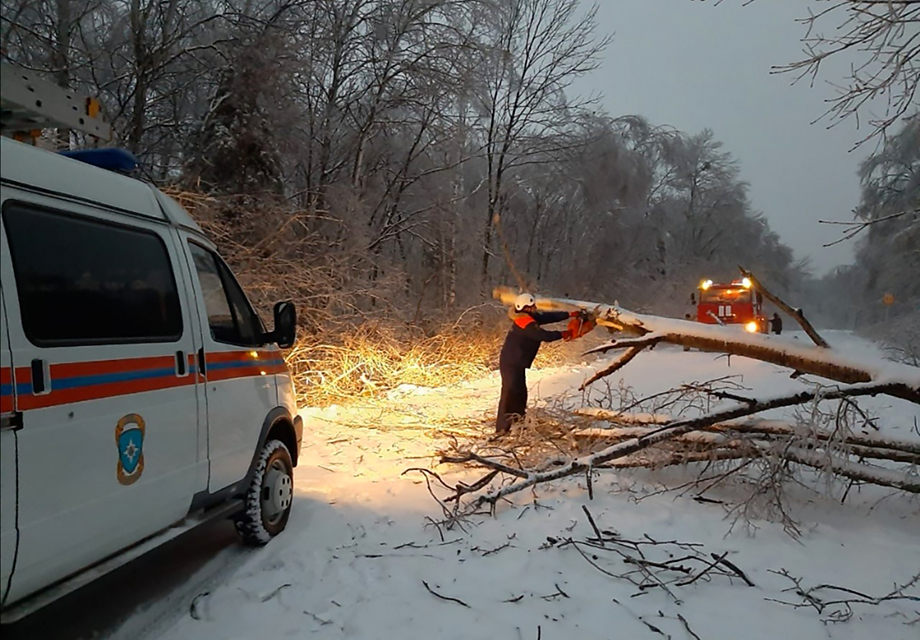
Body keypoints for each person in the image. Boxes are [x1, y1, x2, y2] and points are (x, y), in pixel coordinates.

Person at [495, 293, 595, 435]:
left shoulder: (526, 316)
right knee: (509, 394)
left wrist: (570, 314)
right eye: (532, 306)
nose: (535, 307)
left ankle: (518, 423)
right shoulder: (525, 323)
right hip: (511, 363)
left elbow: (548, 317)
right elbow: (543, 336)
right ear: (525, 308)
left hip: (516, 362)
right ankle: (502, 429)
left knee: (520, 393)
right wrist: (564, 334)